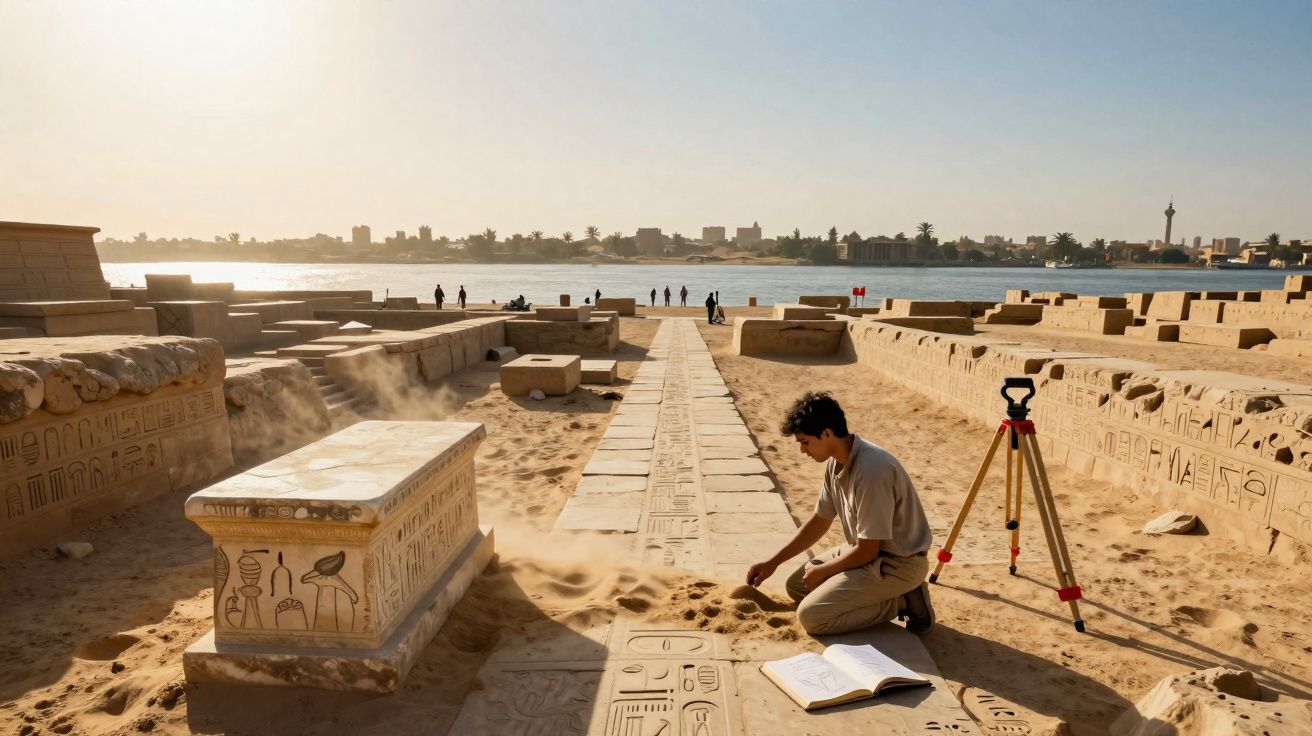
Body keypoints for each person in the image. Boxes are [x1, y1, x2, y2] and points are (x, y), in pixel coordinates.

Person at [746, 392, 935, 637]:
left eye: (804, 442)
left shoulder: (871, 471)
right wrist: (772, 563)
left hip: (899, 564)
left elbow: (869, 551)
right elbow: (819, 521)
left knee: (813, 617)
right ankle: (882, 594)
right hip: (865, 552)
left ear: (826, 433)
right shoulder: (836, 461)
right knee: (797, 587)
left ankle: (905, 602)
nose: (803, 451)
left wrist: (825, 571)